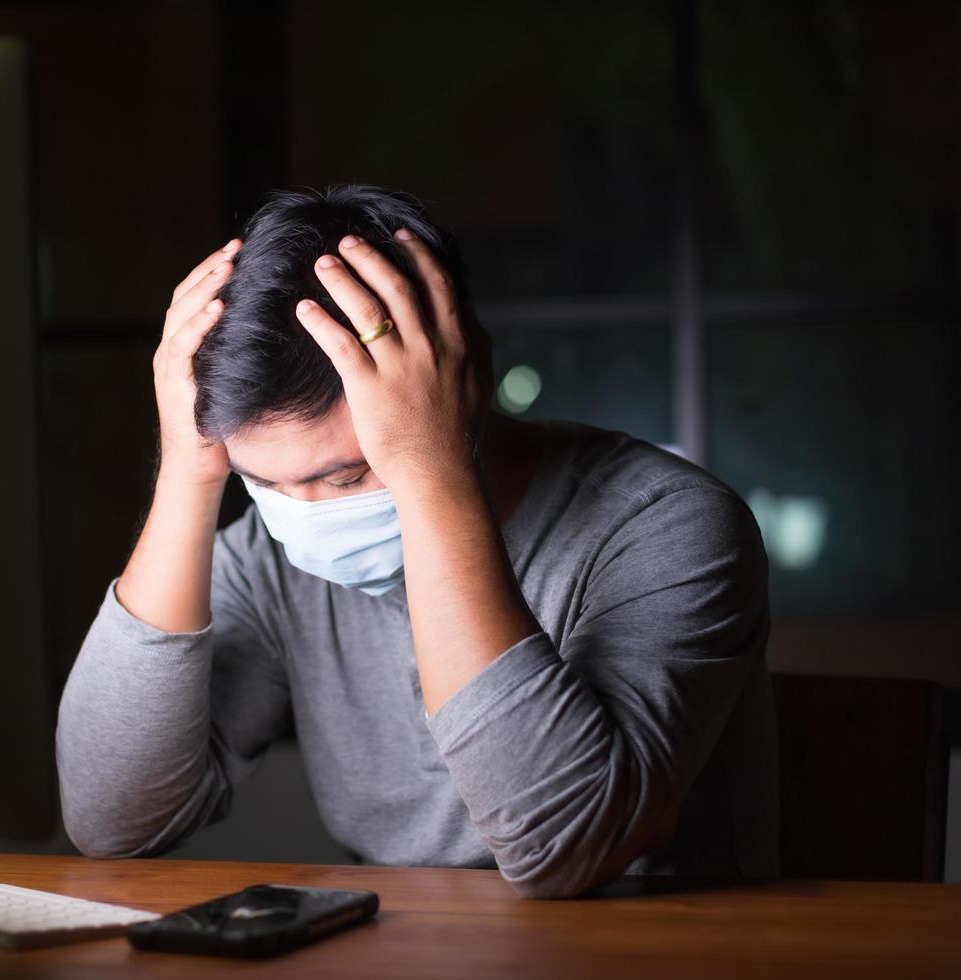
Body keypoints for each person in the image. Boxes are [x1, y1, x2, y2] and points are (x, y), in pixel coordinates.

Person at [55, 185, 777, 899]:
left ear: (461, 378)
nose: (304, 517)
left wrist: (431, 468)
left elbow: (567, 848)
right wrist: (188, 472)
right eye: (265, 484)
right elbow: (112, 819)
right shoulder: (268, 559)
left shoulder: (670, 524)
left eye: (346, 478)